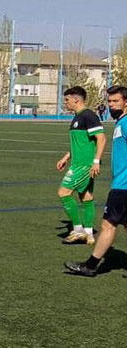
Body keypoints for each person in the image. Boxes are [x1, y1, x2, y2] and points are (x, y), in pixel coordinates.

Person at [65, 86, 127, 276]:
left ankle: (90, 266)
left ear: (126, 102)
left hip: (123, 186)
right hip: (121, 184)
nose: (111, 105)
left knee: (108, 224)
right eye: (109, 101)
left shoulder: (125, 123)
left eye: (115, 101)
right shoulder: (121, 122)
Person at [55, 86, 106, 245]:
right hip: (79, 162)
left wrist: (96, 161)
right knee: (86, 196)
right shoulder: (78, 117)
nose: (65, 103)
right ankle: (89, 234)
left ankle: (78, 230)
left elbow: (101, 138)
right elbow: (80, 142)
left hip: (84, 164)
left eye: (67, 100)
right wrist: (67, 156)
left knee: (64, 192)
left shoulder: (88, 115)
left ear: (76, 99)